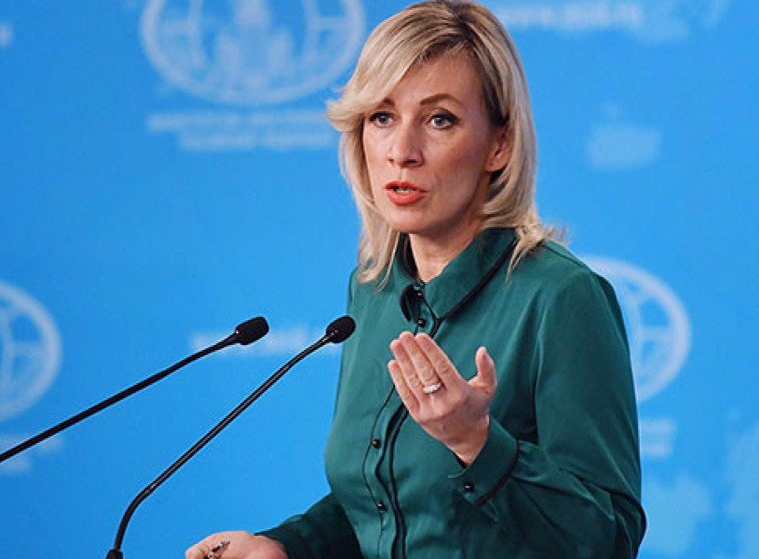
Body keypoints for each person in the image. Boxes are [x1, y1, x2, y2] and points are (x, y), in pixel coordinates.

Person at [186, 1, 646, 557]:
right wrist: (287, 547)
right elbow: (385, 502)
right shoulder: (372, 290)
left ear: (499, 144)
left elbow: (609, 538)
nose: (402, 152)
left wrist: (477, 443)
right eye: (382, 117)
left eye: (439, 119)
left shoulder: (560, 298)